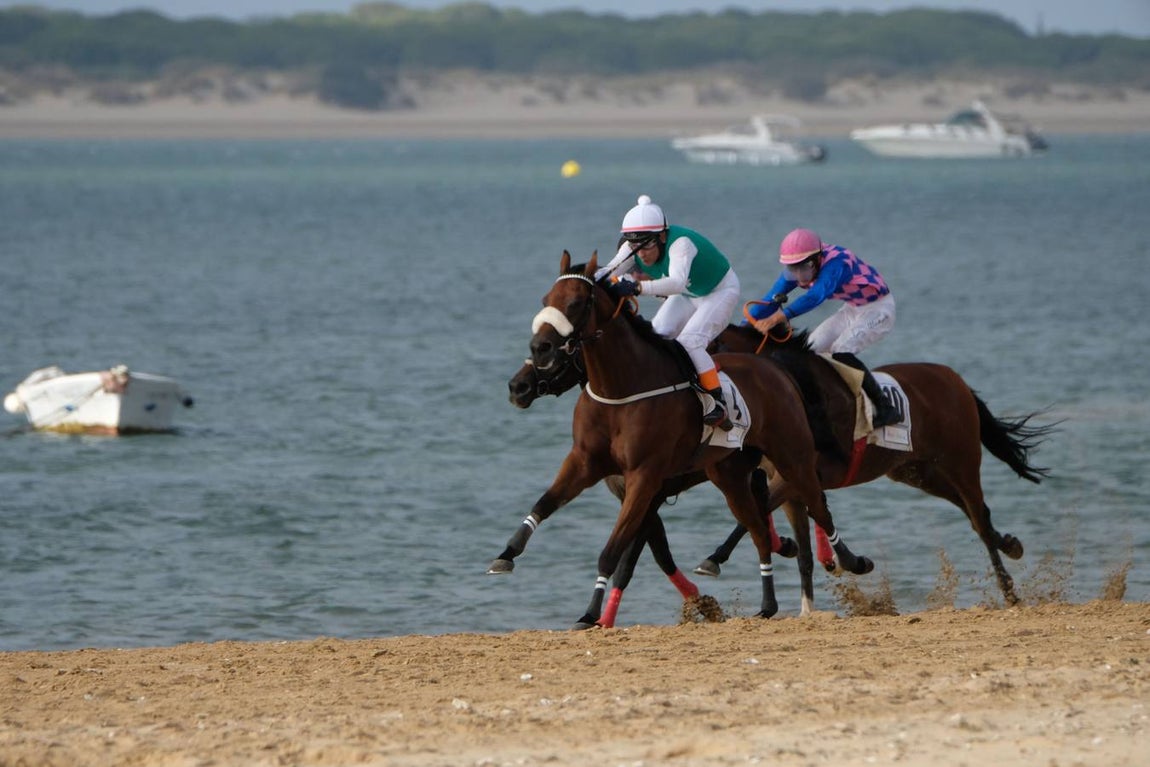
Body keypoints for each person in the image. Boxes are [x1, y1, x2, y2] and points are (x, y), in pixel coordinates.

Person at [595, 194, 741, 430]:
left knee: (690, 342)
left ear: (662, 237)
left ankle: (717, 401)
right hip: (690, 294)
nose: (641, 254)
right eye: (635, 246)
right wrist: (580, 281)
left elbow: (677, 283)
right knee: (656, 335)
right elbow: (609, 271)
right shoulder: (635, 247)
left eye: (647, 245)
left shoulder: (681, 244)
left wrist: (637, 287)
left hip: (720, 291)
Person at [746, 227, 900, 428]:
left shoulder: (838, 263)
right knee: (810, 349)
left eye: (804, 267)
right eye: (793, 268)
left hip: (879, 309)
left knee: (841, 350)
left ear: (818, 259)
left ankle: (886, 408)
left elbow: (815, 296)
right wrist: (744, 327)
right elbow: (769, 300)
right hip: (851, 308)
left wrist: (781, 316)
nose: (799, 275)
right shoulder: (799, 267)